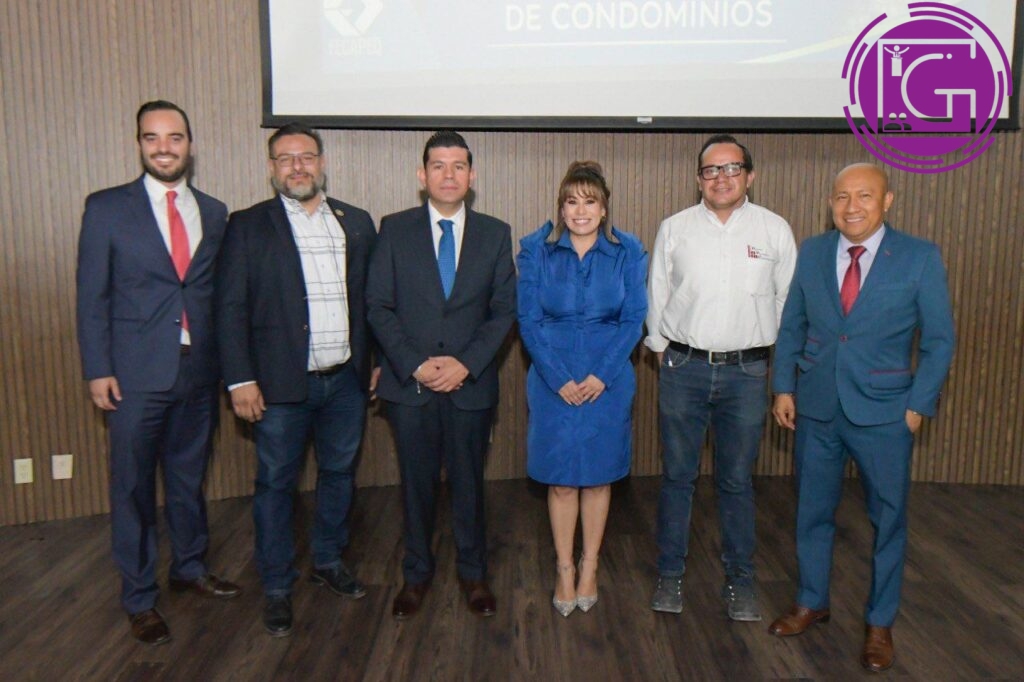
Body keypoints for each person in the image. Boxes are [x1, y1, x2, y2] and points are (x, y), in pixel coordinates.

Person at [767, 163, 955, 673]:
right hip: (817, 407)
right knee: (812, 511)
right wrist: (784, 386)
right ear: (830, 203)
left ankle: (879, 622)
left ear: (887, 201)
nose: (852, 207)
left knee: (888, 520)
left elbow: (940, 340)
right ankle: (811, 601)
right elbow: (792, 325)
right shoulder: (813, 252)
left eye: (865, 196)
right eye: (842, 197)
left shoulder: (919, 257)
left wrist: (917, 405)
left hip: (887, 413)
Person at [76, 100, 240, 646]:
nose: (164, 148)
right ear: (140, 144)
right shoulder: (106, 208)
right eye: (152, 138)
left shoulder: (214, 212)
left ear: (190, 144)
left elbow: (214, 294)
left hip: (199, 371)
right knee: (133, 489)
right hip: (133, 376)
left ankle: (190, 568)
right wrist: (98, 368)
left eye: (174, 138)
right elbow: (91, 296)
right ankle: (140, 598)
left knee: (189, 481)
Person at [214, 123, 378, 637]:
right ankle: (277, 585)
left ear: (322, 162)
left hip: (345, 381)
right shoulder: (247, 225)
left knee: (338, 475)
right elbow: (230, 307)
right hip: (280, 386)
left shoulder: (355, 222)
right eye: (285, 159)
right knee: (275, 485)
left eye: (306, 156)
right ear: (271, 168)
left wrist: (375, 361)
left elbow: (371, 301)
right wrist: (240, 379)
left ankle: (327, 560)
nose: (297, 167)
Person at [646, 134, 797, 620]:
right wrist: (662, 350)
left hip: (747, 373)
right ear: (699, 179)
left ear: (749, 176)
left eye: (732, 168)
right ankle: (670, 576)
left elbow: (787, 300)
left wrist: (770, 354)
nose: (722, 177)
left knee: (736, 481)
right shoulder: (675, 228)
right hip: (683, 368)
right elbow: (658, 293)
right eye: (711, 170)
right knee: (678, 477)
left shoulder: (774, 230)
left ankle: (741, 582)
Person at [366, 130, 516, 620]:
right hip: (410, 385)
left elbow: (503, 311)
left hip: (469, 385)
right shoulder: (394, 229)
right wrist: (415, 363)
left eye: (458, 166)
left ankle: (473, 574)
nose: (448, 175)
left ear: (472, 176)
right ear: (422, 174)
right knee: (416, 485)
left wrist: (465, 364)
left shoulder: (495, 233)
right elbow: (378, 306)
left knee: (469, 483)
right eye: (438, 165)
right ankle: (416, 575)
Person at [517, 162, 647, 617]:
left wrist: (601, 376)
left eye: (590, 201)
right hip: (552, 380)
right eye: (571, 201)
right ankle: (564, 567)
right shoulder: (536, 251)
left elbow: (634, 319)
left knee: (597, 478)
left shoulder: (628, 252)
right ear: (561, 208)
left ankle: (590, 565)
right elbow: (528, 321)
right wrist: (558, 379)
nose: (580, 211)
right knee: (560, 483)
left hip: (606, 381)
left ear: (604, 208)